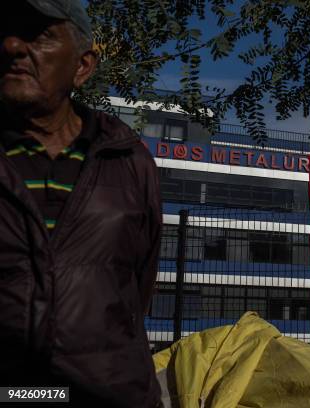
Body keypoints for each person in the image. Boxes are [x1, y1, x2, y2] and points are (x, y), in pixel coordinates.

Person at [0, 1, 161, 406]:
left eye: (40, 36)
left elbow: (136, 289)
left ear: (83, 66)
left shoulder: (128, 160)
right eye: (7, 32)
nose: (12, 45)